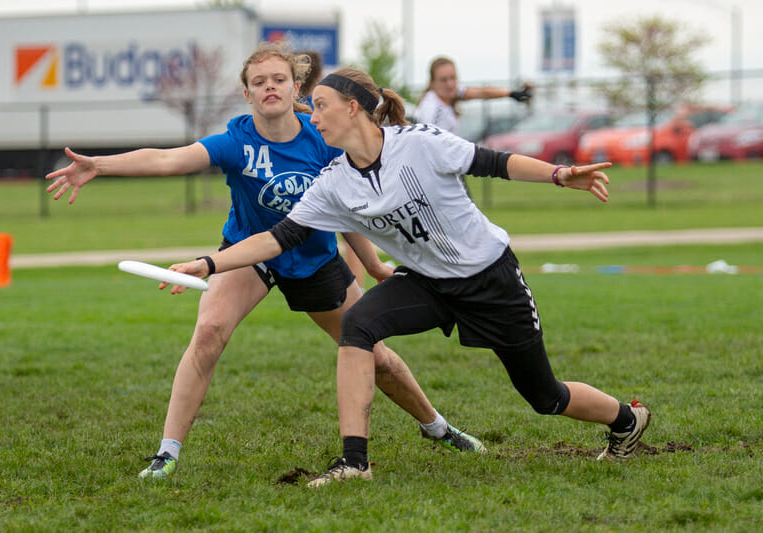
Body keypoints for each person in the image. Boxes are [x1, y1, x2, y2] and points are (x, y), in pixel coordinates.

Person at [164, 67, 652, 487]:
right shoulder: (332, 181)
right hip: (425, 281)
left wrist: (559, 175)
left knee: (545, 396)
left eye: (321, 106)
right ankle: (355, 462)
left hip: (490, 279)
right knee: (358, 327)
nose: (312, 117)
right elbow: (279, 237)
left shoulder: (419, 144)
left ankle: (628, 419)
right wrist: (208, 264)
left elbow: (495, 163)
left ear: (353, 108)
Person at [45, 44, 485, 480]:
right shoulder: (236, 140)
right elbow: (169, 158)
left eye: (278, 80)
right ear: (247, 94)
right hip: (247, 254)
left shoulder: (323, 139)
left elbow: (346, 211)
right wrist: (99, 165)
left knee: (378, 357)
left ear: (295, 87)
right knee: (209, 333)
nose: (269, 87)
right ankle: (166, 454)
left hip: (313, 259)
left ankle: (437, 427)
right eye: (259, 82)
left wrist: (371, 265)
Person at [298, 49, 367, 289]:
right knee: (352, 230)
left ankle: (356, 287)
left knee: (348, 230)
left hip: (323, 172)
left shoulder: (310, 100)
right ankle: (358, 286)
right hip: (329, 173)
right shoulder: (322, 98)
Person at [414, 56, 532, 136]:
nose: (450, 84)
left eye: (453, 78)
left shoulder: (449, 94)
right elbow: (425, 145)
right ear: (432, 83)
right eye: (443, 80)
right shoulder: (431, 109)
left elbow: (482, 93)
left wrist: (511, 94)